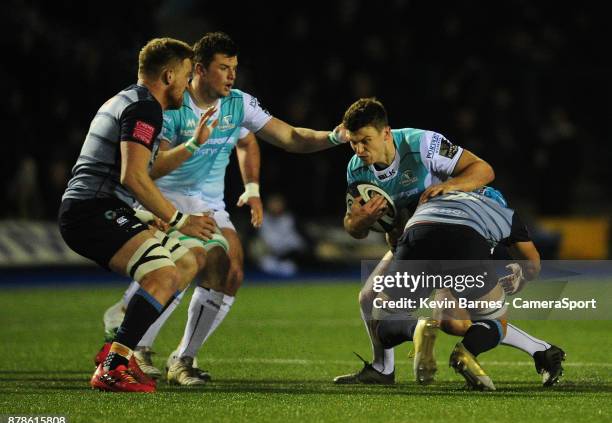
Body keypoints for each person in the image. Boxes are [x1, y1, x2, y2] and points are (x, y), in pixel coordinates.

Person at [98, 32, 350, 386]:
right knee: (188, 263)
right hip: (163, 197)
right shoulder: (171, 105)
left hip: (209, 202)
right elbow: (149, 169)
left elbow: (285, 137)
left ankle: (182, 359)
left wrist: (334, 138)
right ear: (198, 69)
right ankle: (137, 344)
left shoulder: (237, 104)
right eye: (223, 68)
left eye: (234, 68)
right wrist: (192, 144)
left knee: (232, 269)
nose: (232, 75)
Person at [332, 97, 564, 387]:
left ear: (386, 133)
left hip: (455, 233)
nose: (359, 150)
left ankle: (541, 349)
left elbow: (483, 170)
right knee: (369, 298)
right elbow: (352, 226)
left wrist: (449, 186)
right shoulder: (356, 168)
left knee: (450, 320)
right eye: (353, 142)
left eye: (365, 141)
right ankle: (383, 369)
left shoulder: (422, 144)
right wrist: (362, 221)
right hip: (416, 238)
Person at [58, 38, 220, 392]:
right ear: (168, 74)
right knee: (162, 273)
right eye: (186, 75)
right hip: (90, 211)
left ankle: (118, 343)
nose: (189, 84)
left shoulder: (131, 101)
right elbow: (132, 176)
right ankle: (115, 361)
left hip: (105, 206)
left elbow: (137, 174)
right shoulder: (145, 108)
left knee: (188, 259)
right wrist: (179, 219)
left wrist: (146, 213)